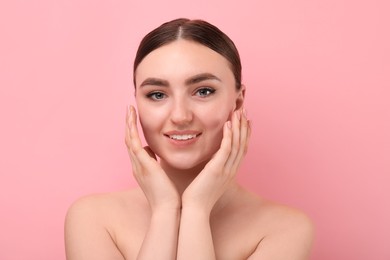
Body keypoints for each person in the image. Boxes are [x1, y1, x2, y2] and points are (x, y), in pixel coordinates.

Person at [65, 18, 314, 259]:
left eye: (203, 91)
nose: (180, 116)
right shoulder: (92, 219)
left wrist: (196, 209)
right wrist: (165, 210)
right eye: (157, 95)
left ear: (237, 101)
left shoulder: (285, 229)